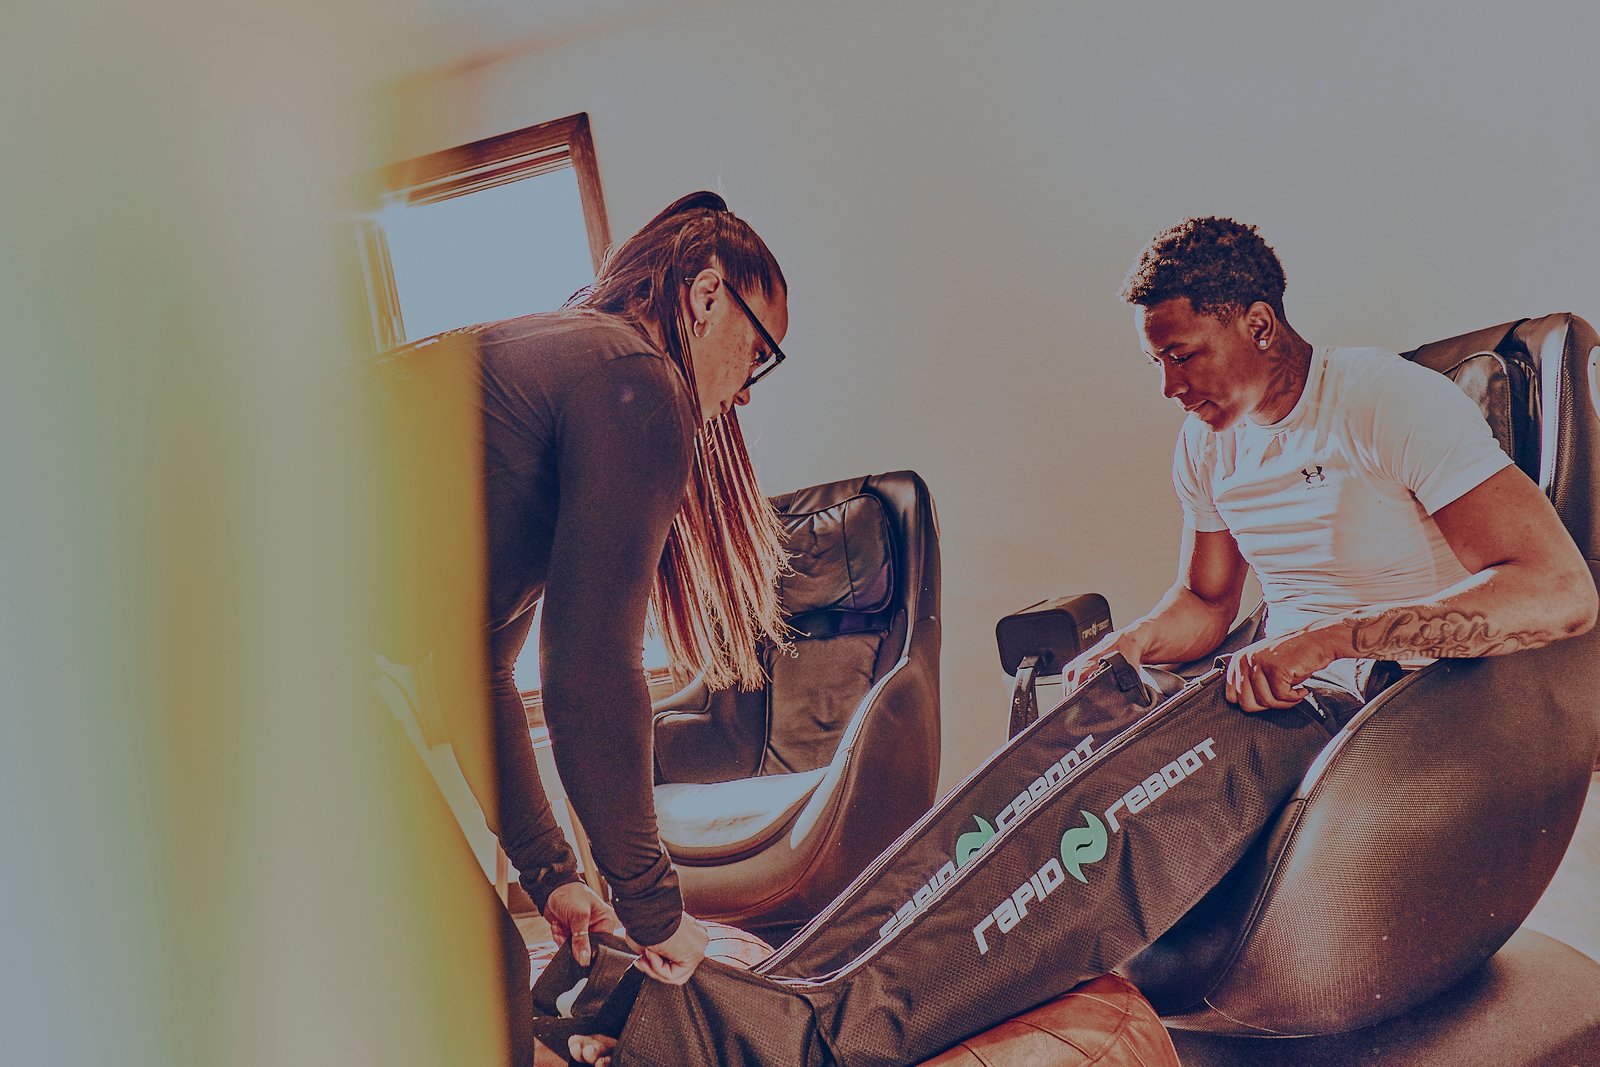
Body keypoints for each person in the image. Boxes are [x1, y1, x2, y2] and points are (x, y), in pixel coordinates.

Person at [448, 190, 794, 1064]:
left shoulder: (571, 365)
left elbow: (473, 675)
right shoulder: (638, 380)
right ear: (707, 295)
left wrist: (553, 876)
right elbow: (591, 672)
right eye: (758, 351)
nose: (747, 391)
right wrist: (652, 907)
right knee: (467, 988)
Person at [1064, 216, 1596, 714]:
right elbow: (1206, 602)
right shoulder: (1205, 442)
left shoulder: (1386, 400)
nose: (1168, 387)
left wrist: (1325, 641)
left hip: (1413, 700)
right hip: (1294, 703)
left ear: (1258, 325)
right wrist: (1133, 642)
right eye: (1156, 362)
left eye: (1182, 357)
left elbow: (1559, 592)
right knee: (1089, 753)